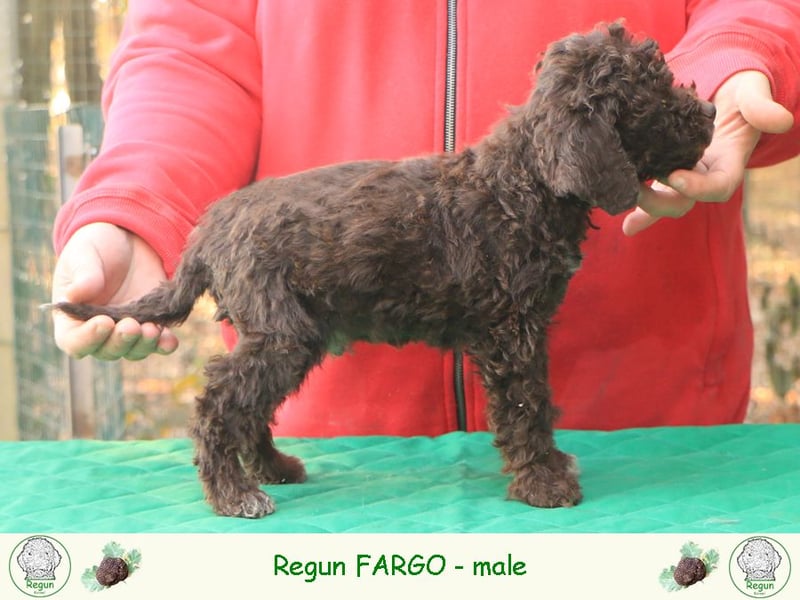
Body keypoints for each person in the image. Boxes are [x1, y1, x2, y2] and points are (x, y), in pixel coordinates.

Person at [52, 1, 800, 436]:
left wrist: (747, 50)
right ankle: (233, 443)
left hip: (646, 426)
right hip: (350, 458)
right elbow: (193, 42)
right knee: (277, 357)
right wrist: (140, 199)